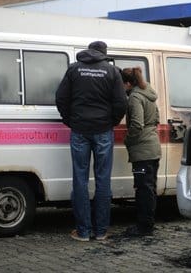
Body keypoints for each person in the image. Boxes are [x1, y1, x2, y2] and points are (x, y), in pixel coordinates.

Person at [55, 41, 127, 242]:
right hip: (103, 131)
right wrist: (110, 122)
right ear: (104, 54)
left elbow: (61, 98)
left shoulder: (74, 69)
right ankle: (102, 231)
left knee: (80, 179)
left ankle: (83, 231)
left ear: (89, 51)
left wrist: (71, 121)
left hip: (79, 130)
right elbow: (121, 102)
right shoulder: (112, 72)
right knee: (103, 180)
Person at [121, 67, 162, 236]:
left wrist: (128, 140)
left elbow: (137, 124)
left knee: (143, 189)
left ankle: (143, 227)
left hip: (142, 149)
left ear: (128, 83)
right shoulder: (148, 93)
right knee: (149, 188)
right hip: (153, 147)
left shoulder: (135, 98)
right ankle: (149, 224)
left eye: (122, 85)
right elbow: (156, 119)